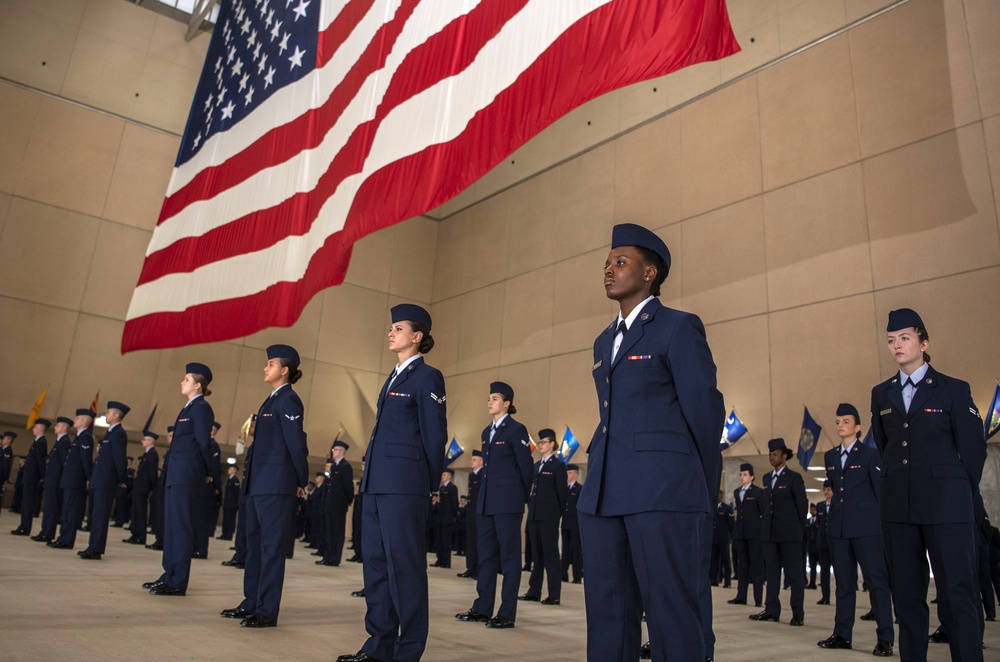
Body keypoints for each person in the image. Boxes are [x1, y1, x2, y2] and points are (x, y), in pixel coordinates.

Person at [577, 223, 724, 662]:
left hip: (662, 492)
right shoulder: (604, 341)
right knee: (607, 614)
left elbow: (705, 413)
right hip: (604, 495)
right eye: (606, 263)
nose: (609, 270)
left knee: (672, 613)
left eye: (621, 262)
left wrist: (699, 491)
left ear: (650, 273)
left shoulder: (678, 328)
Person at [871, 308, 986, 661]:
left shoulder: (953, 389)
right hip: (899, 510)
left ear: (924, 343)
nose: (896, 345)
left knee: (957, 595)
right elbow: (886, 446)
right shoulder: (881, 394)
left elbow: (973, 453)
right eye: (891, 340)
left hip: (946, 508)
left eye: (904, 338)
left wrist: (957, 498)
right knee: (907, 599)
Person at [337, 304, 447, 662]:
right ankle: (378, 647)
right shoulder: (393, 377)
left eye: (398, 328)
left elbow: (435, 436)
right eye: (391, 328)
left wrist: (429, 485)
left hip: (405, 486)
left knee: (405, 568)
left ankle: (408, 651)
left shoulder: (427, 378)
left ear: (417, 337)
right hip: (376, 484)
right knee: (377, 567)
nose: (391, 332)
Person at [220, 344, 309, 628]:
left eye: (270, 364)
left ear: (284, 370)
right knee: (254, 546)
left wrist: (300, 479)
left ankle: (266, 610)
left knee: (271, 549)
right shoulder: (270, 400)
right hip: (258, 484)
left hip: (276, 485)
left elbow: (296, 444)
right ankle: (251, 602)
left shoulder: (289, 401)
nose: (265, 367)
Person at [454, 382, 533, 630]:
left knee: (509, 559)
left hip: (507, 503)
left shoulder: (517, 430)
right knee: (486, 557)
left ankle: (506, 612)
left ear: (507, 403)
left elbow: (526, 468)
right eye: (488, 398)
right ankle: (482, 607)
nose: (490, 402)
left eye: (495, 398)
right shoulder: (487, 432)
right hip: (486, 503)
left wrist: (519, 499)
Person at [817, 403, 894, 656]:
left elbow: (880, 494)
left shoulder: (870, 455)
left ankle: (885, 638)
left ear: (858, 428)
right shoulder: (830, 456)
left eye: (846, 421)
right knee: (844, 584)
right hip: (838, 528)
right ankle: (842, 634)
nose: (841, 425)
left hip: (867, 528)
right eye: (838, 421)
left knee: (876, 582)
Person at [144, 363, 214, 595]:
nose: (182, 382)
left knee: (181, 528)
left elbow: (204, 442)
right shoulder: (187, 408)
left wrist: (207, 471)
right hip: (176, 474)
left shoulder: (201, 408)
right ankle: (168, 575)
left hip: (188, 474)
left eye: (186, 379)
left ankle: (177, 581)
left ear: (198, 384)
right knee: (172, 527)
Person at [751, 437, 808, 625]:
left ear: (784, 456)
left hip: (790, 533)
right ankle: (772, 609)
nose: (771, 457)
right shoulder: (767, 478)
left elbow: (802, 506)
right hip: (770, 533)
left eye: (775, 454)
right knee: (772, 573)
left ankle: (797, 613)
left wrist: (799, 529)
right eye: (770, 454)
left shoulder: (794, 478)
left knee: (794, 574)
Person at [521, 428, 568, 605]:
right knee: (536, 555)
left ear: (553, 444)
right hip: (534, 515)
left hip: (549, 516)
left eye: (544, 442)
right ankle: (534, 591)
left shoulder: (557, 466)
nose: (541, 445)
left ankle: (554, 594)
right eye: (540, 442)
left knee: (551, 554)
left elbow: (561, 494)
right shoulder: (536, 466)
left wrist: (556, 514)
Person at [79, 403, 129, 560]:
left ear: (116, 415)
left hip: (106, 480)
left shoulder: (119, 433)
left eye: (108, 413)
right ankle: (91, 546)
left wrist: (122, 479)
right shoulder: (110, 433)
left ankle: (96, 549)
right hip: (99, 479)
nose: (105, 415)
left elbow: (119, 458)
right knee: (95, 514)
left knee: (101, 515)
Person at [48, 409, 95, 550]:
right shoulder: (79, 437)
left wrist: (88, 478)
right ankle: (62, 538)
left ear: (85, 421)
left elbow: (85, 460)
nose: (75, 420)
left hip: (76, 480)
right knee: (66, 510)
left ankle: (67, 540)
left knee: (71, 511)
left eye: (78, 418)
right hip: (70, 479)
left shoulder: (86, 437)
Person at [729, 463, 765, 607]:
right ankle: (741, 596)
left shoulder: (758, 492)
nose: (742, 477)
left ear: (752, 477)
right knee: (742, 566)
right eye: (741, 474)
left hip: (754, 534)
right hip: (741, 533)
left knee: (756, 566)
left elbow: (763, 512)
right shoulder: (737, 492)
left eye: (745, 474)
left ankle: (758, 598)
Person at [34, 416, 73, 543]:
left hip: (55, 481)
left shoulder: (64, 442)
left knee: (52, 508)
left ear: (64, 428)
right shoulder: (59, 441)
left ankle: (48, 533)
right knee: (48, 508)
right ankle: (45, 531)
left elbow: (64, 464)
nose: (55, 427)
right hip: (51, 480)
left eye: (58, 425)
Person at [12, 418, 49, 536]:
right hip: (29, 476)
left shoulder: (41, 442)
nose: (33, 429)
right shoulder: (37, 441)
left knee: (27, 502)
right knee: (25, 502)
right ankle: (23, 525)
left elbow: (40, 460)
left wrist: (42, 476)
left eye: (35, 427)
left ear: (40, 429)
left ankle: (25, 527)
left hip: (33, 477)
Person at [321, 440, 353, 567]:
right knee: (329, 532)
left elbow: (348, 486)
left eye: (337, 450)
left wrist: (348, 500)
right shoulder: (334, 466)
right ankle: (327, 557)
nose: (334, 452)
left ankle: (335, 558)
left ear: (342, 451)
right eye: (334, 449)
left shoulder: (345, 466)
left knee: (337, 532)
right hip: (330, 504)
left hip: (339, 504)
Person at [126, 432, 159, 546]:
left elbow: (152, 473)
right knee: (135, 511)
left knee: (140, 512)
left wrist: (152, 487)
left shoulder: (153, 454)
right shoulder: (146, 454)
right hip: (139, 486)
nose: (142, 441)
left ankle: (140, 536)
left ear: (150, 441)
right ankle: (135, 534)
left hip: (144, 487)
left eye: (145, 439)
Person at [457, 450, 484, 579]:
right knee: (470, 542)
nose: (471, 461)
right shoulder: (472, 475)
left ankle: (479, 568)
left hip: (479, 513)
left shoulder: (483, 474)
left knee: (479, 542)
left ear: (481, 461)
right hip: (471, 513)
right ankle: (471, 568)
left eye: (474, 459)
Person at [147, 425, 174, 551]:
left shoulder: (175, 451)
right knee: (159, 514)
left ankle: (163, 541)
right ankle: (159, 539)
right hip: (162, 487)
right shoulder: (170, 451)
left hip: (169, 488)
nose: (168, 437)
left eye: (171, 435)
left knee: (165, 516)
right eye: (168, 435)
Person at [561, 463, 583, 584]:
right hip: (565, 523)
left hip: (575, 524)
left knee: (576, 550)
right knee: (565, 549)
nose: (567, 475)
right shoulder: (564, 488)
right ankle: (563, 574)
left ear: (576, 474)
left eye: (570, 473)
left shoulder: (579, 489)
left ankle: (577, 576)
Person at [433, 468, 459, 569]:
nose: (442, 477)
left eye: (444, 475)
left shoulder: (452, 488)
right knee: (439, 539)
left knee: (446, 540)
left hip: (447, 518)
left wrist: (455, 516)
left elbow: (454, 503)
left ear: (449, 476)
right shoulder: (442, 488)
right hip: (440, 517)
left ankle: (446, 561)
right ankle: (439, 559)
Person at [814, 482, 833, 604]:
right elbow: (819, 524)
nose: (826, 492)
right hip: (823, 542)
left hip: (835, 542)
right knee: (824, 571)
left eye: (828, 489)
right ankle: (825, 596)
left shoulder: (837, 504)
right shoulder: (820, 506)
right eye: (824, 489)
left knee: (839, 571)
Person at [710, 490, 734, 587]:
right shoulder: (712, 508)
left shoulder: (727, 508)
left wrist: (731, 536)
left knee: (725, 560)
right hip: (714, 538)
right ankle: (714, 579)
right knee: (714, 560)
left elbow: (731, 524)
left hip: (723, 538)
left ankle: (727, 581)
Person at [219, 464, 240, 540]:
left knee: (230, 520)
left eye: (230, 469)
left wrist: (237, 504)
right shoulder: (230, 480)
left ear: (234, 470)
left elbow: (236, 493)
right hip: (227, 503)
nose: (228, 470)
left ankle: (228, 535)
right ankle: (224, 534)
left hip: (232, 504)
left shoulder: (235, 480)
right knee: (226, 520)